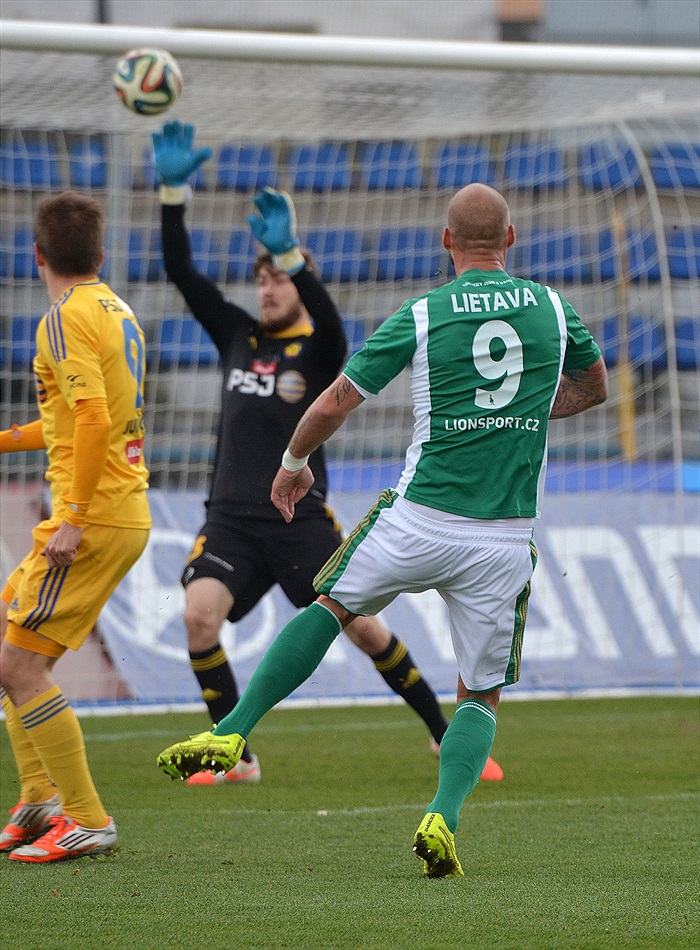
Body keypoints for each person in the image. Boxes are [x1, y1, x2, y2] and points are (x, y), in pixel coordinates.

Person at [157, 182, 608, 877]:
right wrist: (520, 415)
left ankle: (232, 731)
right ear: (512, 240)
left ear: (447, 242)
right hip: (501, 538)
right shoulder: (553, 306)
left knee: (332, 605)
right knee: (479, 692)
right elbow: (595, 385)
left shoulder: (424, 312)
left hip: (418, 518)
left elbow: (337, 398)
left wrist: (292, 464)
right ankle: (443, 814)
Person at [151, 121, 502, 785]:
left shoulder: (317, 349)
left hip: (300, 521)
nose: (267, 288)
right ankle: (238, 757)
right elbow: (179, 272)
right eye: (261, 278)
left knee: (366, 631)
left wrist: (293, 260)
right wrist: (173, 192)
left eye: (278, 279)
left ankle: (441, 733)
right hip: (229, 518)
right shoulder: (236, 335)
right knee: (199, 617)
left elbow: (335, 325)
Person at [0, 192, 151, 862]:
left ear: (37, 255)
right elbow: (74, 420)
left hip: (93, 516)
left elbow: (92, 421)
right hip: (114, 507)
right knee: (8, 633)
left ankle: (86, 817)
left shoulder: (62, 320)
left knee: (20, 664)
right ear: (99, 252)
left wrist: (72, 517)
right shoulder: (116, 312)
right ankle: (39, 798)